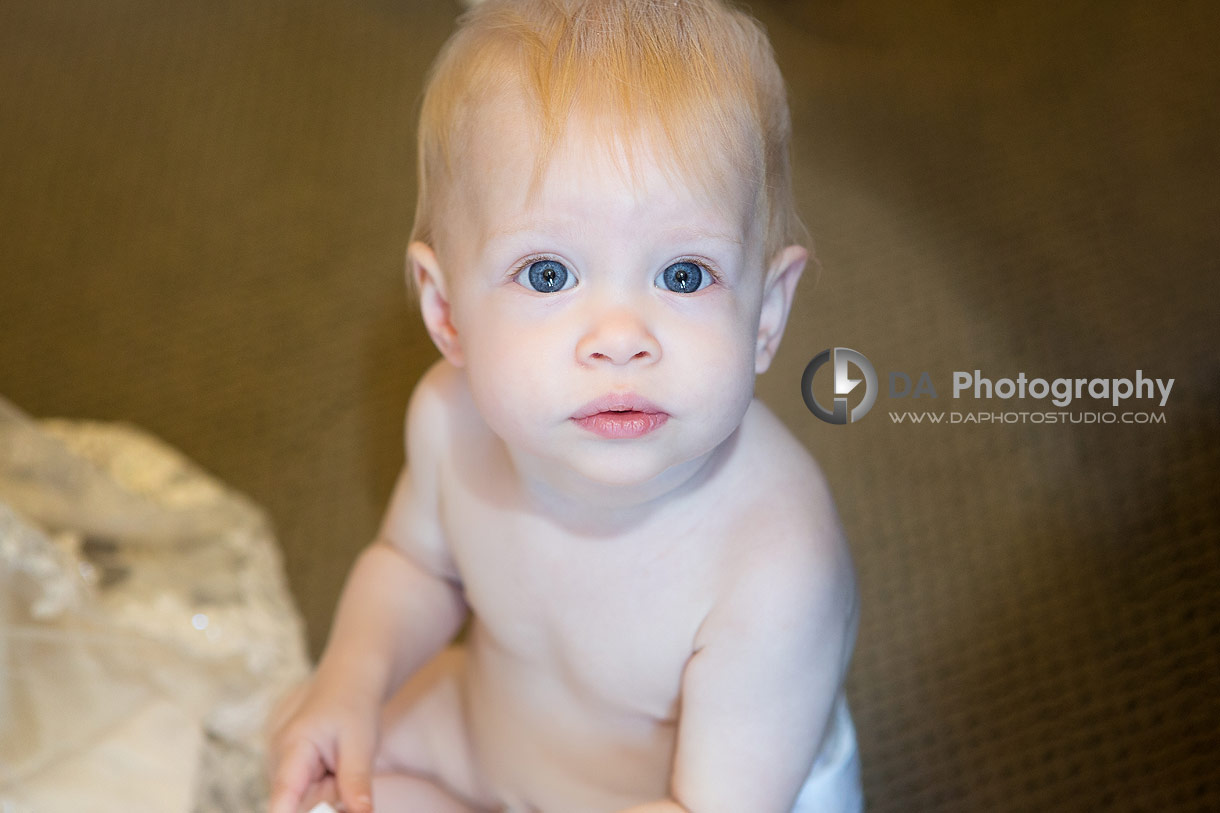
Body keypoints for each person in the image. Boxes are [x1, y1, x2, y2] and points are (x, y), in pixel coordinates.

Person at [267, 1, 860, 810]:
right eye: (549, 273)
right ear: (447, 314)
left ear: (765, 314)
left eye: (683, 275)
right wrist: (347, 683)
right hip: (478, 733)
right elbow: (413, 566)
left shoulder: (774, 559)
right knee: (316, 786)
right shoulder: (449, 419)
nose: (620, 338)